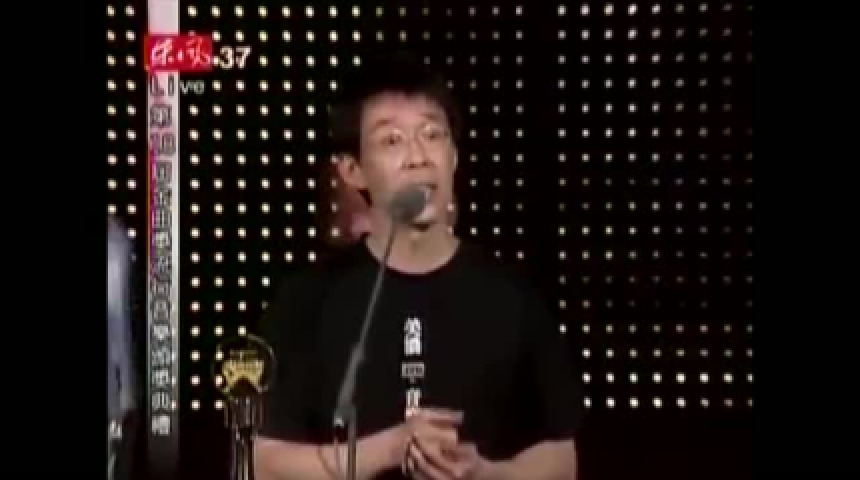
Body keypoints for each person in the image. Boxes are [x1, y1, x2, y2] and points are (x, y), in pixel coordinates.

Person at [255, 51, 582, 480]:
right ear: (353, 170)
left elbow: (561, 460)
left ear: (454, 155)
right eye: (392, 140)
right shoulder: (306, 301)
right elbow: (262, 462)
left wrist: (485, 474)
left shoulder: (514, 296)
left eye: (432, 134)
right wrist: (388, 449)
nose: (418, 156)